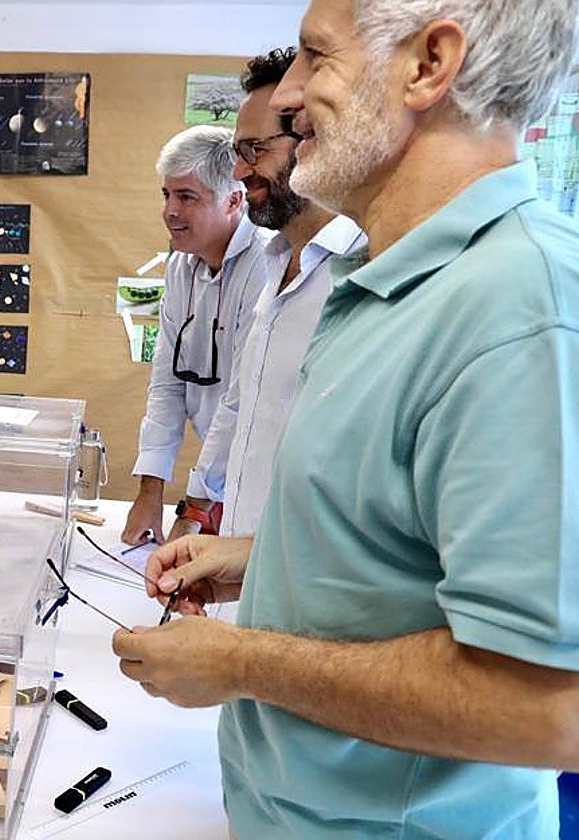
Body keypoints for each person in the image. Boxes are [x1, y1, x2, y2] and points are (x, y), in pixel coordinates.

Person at [113, 0, 579, 835]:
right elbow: (401, 552)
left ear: (428, 66)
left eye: (316, 57)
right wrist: (260, 560)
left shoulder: (522, 309)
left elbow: (549, 707)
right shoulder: (381, 280)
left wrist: (242, 662)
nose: (289, 98)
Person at [182, 48, 365, 543]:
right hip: (248, 561)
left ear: (311, 138)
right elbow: (241, 404)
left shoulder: (363, 274)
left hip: (307, 573)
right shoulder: (276, 264)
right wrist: (196, 508)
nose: (241, 173)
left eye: (255, 150)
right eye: (238, 154)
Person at [121, 125, 270, 545]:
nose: (170, 210)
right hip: (217, 477)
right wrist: (150, 491)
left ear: (234, 200)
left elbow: (241, 402)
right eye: (166, 195)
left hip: (262, 479)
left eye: (186, 197)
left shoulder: (267, 264)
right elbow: (167, 384)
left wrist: (193, 510)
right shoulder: (180, 266)